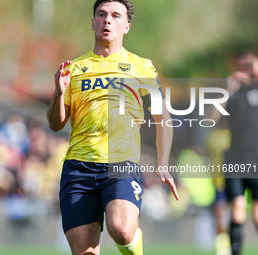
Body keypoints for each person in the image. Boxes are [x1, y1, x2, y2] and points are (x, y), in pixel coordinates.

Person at [47, 1, 179, 254]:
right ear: (93, 22)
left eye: (116, 16)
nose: (108, 20)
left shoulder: (142, 67)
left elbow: (164, 117)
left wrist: (163, 163)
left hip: (121, 163)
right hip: (78, 168)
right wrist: (58, 92)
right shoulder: (73, 69)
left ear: (127, 26)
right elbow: (55, 124)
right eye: (102, 14)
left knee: (122, 229)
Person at [223, 52, 258, 255]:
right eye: (240, 66)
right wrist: (227, 91)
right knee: (237, 213)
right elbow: (210, 117)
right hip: (235, 159)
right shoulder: (232, 94)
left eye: (248, 66)